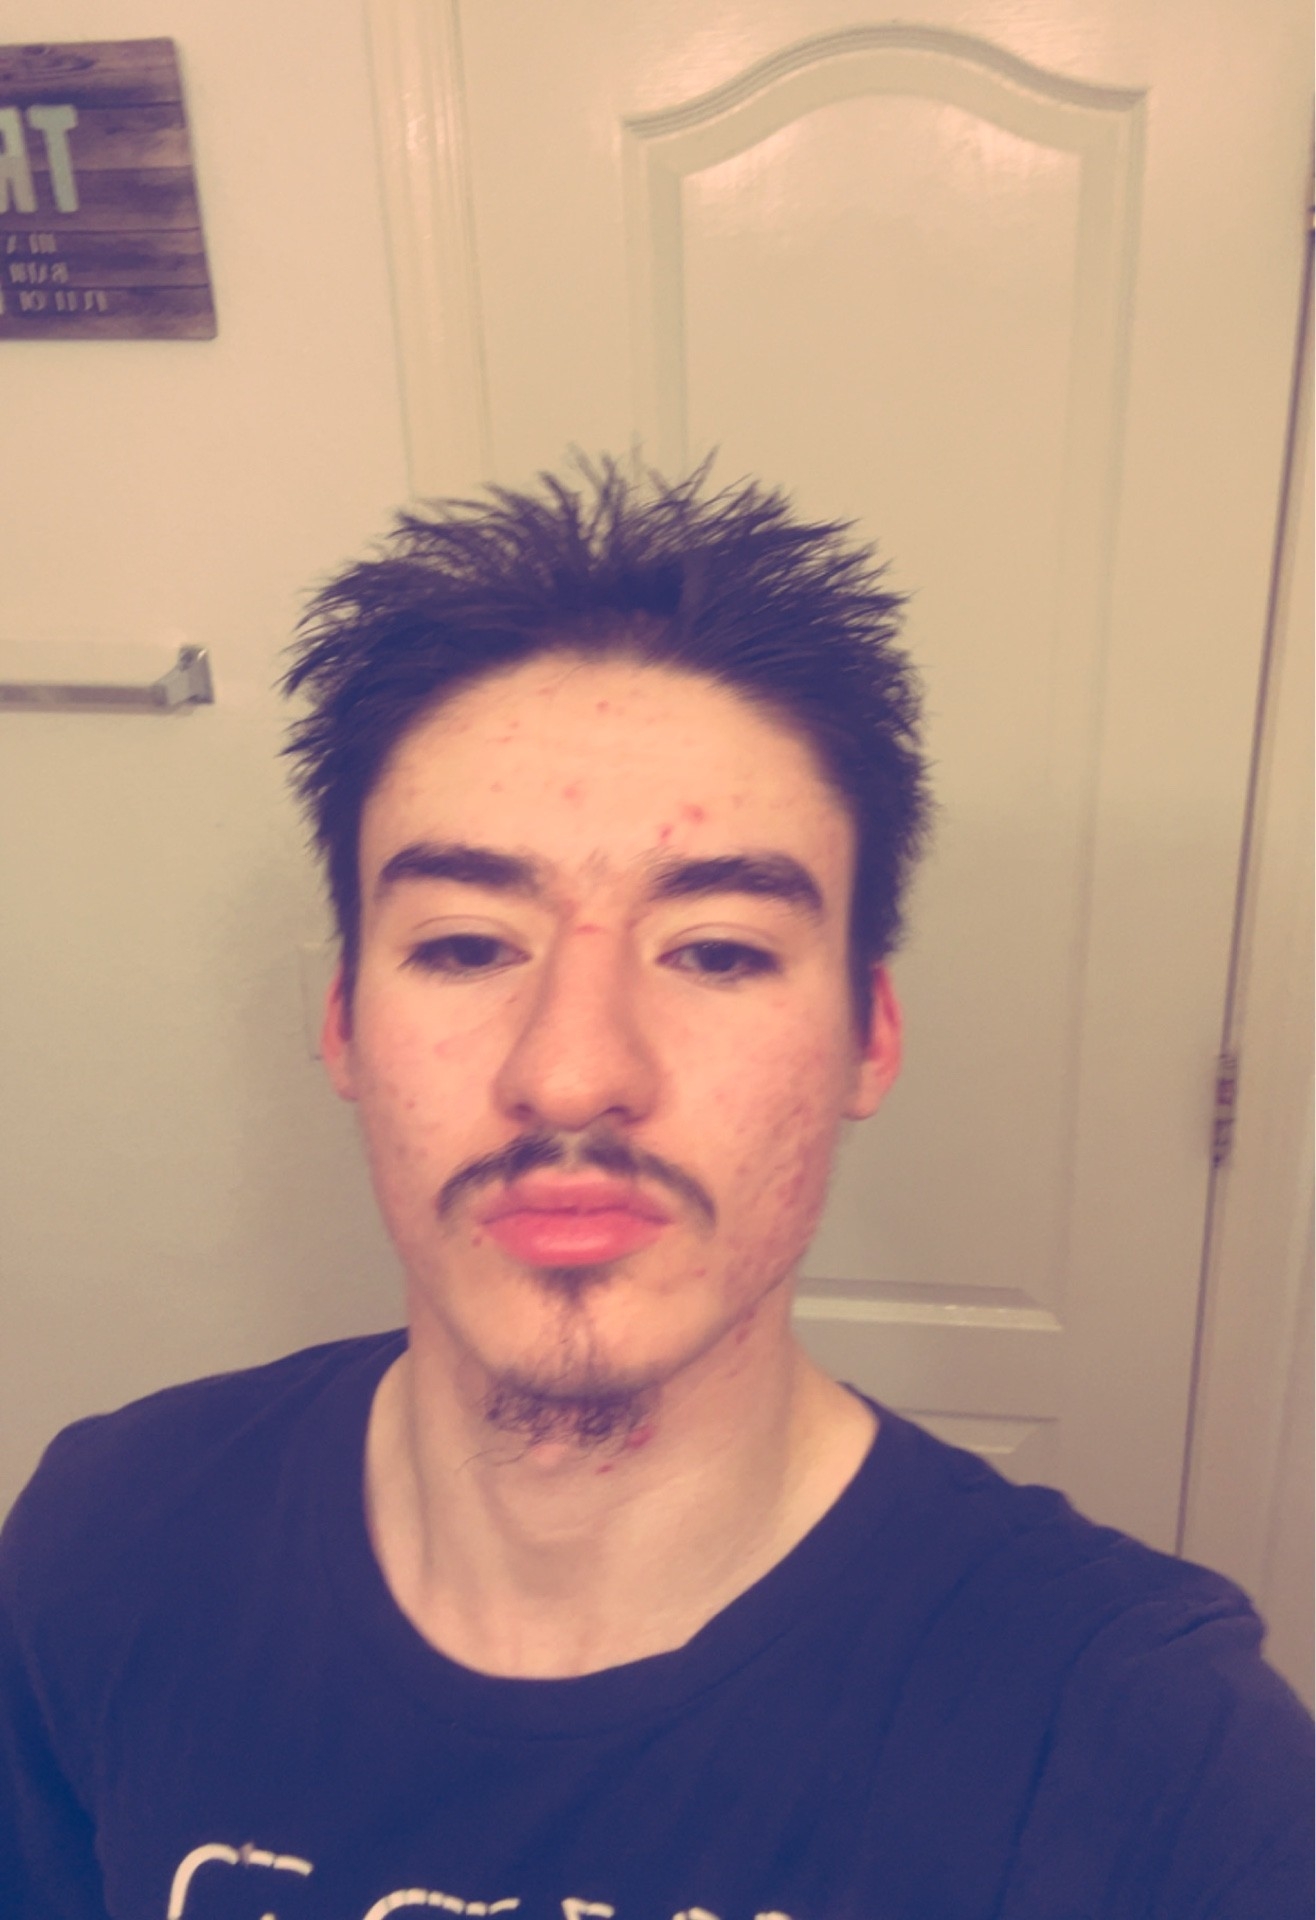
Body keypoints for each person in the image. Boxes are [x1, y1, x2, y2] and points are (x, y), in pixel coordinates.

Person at [0, 460, 1309, 1920]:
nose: (572, 1073)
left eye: (719, 951)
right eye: (465, 945)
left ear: (869, 1038)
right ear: (345, 1024)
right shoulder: (108, 1542)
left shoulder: (1153, 1761)